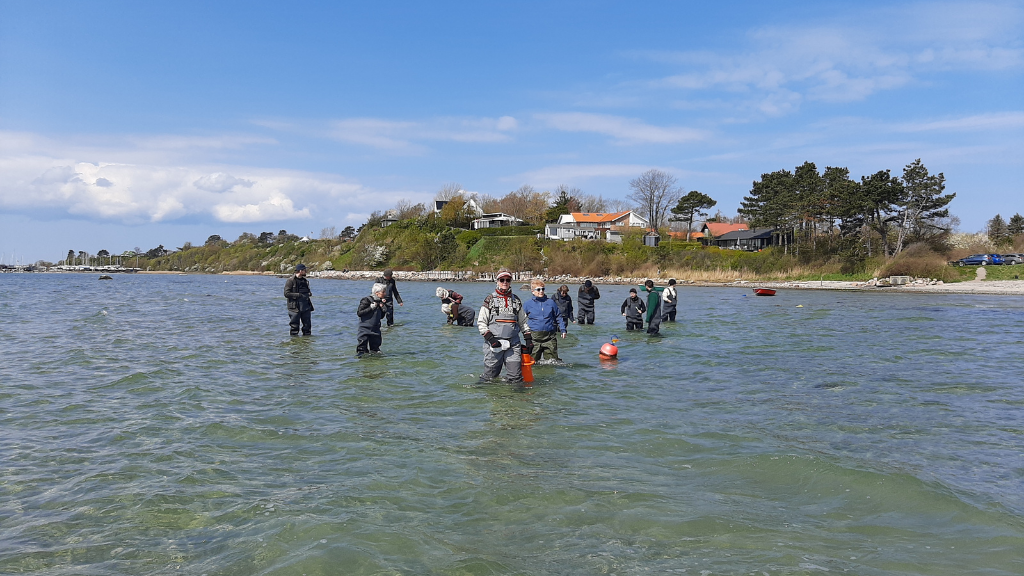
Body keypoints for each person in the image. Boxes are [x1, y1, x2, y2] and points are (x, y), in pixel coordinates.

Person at [477, 269, 532, 382]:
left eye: (508, 280)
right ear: (497, 281)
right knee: (489, 377)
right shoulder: (489, 300)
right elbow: (481, 322)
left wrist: (528, 339)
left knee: (515, 377)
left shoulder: (516, 300)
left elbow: (523, 322)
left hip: (513, 344)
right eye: (502, 280)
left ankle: (515, 392)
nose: (505, 282)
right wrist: (491, 339)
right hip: (494, 344)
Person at [523, 279, 567, 361]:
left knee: (552, 362)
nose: (541, 291)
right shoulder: (527, 304)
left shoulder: (551, 302)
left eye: (543, 289)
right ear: (533, 291)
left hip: (549, 337)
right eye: (538, 289)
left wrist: (563, 329)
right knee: (532, 362)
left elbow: (558, 316)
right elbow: (521, 319)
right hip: (534, 337)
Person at [355, 283, 387, 355]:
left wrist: (383, 309)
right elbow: (359, 313)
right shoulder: (366, 300)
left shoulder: (380, 302)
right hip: (364, 330)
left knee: (376, 351)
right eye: (383, 292)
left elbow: (381, 317)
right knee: (362, 350)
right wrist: (371, 307)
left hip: (375, 330)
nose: (385, 294)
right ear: (377, 293)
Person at [283, 264, 313, 336]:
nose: (306, 271)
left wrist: (308, 294)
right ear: (300, 271)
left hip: (306, 306)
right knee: (294, 327)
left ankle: (307, 341)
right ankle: (294, 342)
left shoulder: (305, 281)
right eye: (305, 270)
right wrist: (298, 295)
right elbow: (286, 294)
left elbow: (307, 291)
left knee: (307, 327)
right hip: (294, 307)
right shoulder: (290, 281)